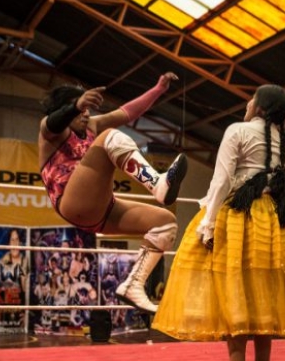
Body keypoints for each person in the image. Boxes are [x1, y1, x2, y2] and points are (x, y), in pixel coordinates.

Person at [152, 84, 285, 361]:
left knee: (234, 291)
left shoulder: (238, 130)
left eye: (251, 98)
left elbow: (221, 180)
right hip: (278, 222)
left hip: (241, 217)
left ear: (259, 106)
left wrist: (208, 222)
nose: (246, 102)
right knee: (264, 294)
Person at [38, 72, 188, 313]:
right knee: (108, 138)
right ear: (68, 108)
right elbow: (53, 121)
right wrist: (76, 104)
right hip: (71, 202)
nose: (87, 114)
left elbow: (128, 112)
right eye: (82, 110)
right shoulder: (50, 132)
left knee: (165, 222)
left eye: (88, 109)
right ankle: (158, 185)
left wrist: (158, 88)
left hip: (101, 211)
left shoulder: (92, 126)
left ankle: (133, 285)